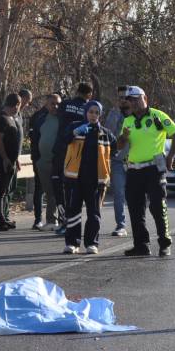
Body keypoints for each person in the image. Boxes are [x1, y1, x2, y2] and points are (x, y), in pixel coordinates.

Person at [116, 86, 175, 256]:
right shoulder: (128, 120)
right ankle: (141, 245)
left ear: (144, 98)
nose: (133, 102)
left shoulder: (157, 116)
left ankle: (164, 243)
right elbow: (119, 145)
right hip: (134, 169)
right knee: (135, 208)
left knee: (157, 206)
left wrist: (171, 156)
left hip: (155, 167)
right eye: (130, 100)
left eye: (136, 98)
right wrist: (123, 137)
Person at [62, 101, 114, 254]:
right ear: (85, 112)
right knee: (73, 211)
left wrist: (125, 137)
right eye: (91, 112)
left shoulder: (105, 133)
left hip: (96, 180)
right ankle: (72, 243)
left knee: (94, 213)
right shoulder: (74, 127)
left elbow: (117, 149)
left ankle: (92, 243)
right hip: (75, 178)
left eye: (97, 112)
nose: (93, 115)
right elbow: (62, 142)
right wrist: (74, 133)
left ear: (100, 115)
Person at [52, 83, 93, 235]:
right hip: (77, 153)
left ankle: (65, 222)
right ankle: (72, 223)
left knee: (58, 186)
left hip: (61, 149)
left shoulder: (65, 104)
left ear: (77, 91)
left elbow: (58, 116)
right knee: (71, 188)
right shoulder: (89, 108)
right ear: (89, 94)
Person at [29, 93, 62, 230]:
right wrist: (36, 158)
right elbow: (34, 139)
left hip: (59, 162)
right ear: (46, 104)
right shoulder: (40, 119)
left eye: (58, 103)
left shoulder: (63, 119)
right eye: (52, 103)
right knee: (49, 192)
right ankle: (50, 221)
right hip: (42, 162)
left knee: (59, 192)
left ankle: (61, 220)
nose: (55, 106)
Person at [0, 93, 22, 230]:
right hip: (2, 161)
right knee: (1, 192)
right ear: (16, 105)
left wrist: (16, 160)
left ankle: (3, 218)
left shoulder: (11, 118)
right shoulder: (1, 118)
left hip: (11, 161)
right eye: (18, 106)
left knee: (4, 191)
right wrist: (5, 158)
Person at [103, 86, 130, 236]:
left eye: (125, 97)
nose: (123, 100)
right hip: (118, 161)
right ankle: (121, 225)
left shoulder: (138, 115)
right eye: (120, 98)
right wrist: (117, 112)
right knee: (119, 193)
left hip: (135, 162)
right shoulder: (114, 113)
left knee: (135, 195)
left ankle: (140, 223)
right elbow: (108, 132)